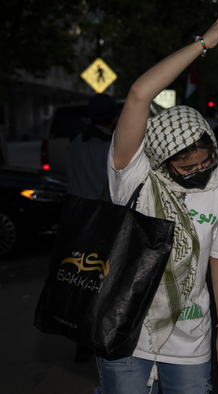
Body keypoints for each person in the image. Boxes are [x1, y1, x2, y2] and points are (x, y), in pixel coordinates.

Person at [96, 9, 218, 394]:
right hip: (125, 330)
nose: (199, 172)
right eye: (185, 166)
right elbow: (140, 94)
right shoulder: (134, 173)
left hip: (191, 335)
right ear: (162, 159)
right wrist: (203, 44)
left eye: (205, 160)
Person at [65, 93, 118, 363]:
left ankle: (80, 339)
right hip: (101, 219)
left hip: (75, 219)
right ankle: (94, 336)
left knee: (78, 280)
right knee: (99, 283)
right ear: (113, 117)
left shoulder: (75, 141)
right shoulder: (109, 145)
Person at [65, 93, 118, 202]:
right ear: (114, 118)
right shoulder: (113, 147)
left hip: (74, 210)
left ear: (90, 118)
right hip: (102, 213)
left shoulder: (74, 143)